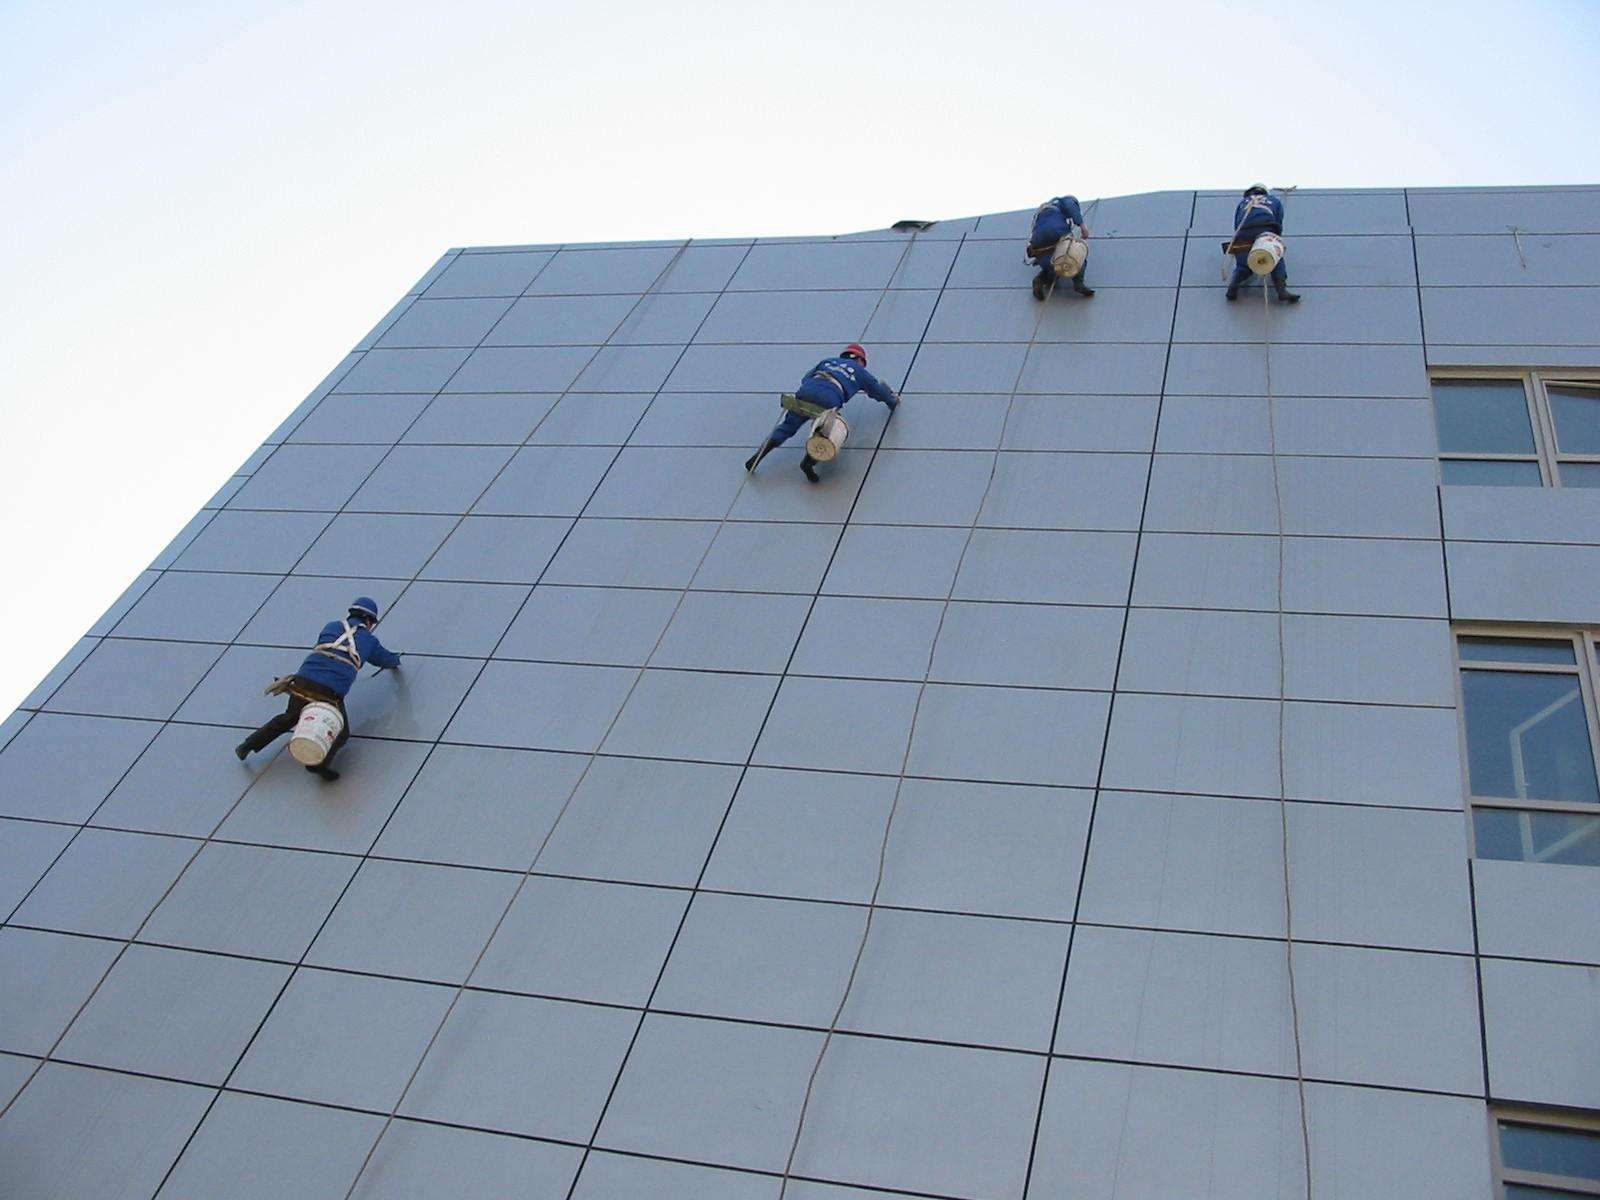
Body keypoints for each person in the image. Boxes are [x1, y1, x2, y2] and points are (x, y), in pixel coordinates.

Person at [234, 597, 401, 781]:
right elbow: (384, 660)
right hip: (329, 692)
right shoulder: (368, 640)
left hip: (303, 681)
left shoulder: (332, 626)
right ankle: (319, 765)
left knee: (288, 718)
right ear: (368, 619)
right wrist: (396, 660)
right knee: (341, 732)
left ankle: (247, 746)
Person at [745, 344, 899, 482]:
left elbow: (806, 378)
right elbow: (878, 392)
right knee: (828, 431)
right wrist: (892, 402)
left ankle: (757, 457)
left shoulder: (827, 361)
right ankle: (809, 461)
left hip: (807, 391)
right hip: (830, 397)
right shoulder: (860, 371)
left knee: (786, 428)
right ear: (860, 360)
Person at [1226, 184, 1301, 303]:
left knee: (1243, 264)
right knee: (1274, 257)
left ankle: (1233, 287)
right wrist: (1274, 239)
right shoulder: (1273, 200)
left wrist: (1241, 237)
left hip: (1243, 230)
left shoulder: (1243, 202)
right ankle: (1281, 291)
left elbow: (1236, 222)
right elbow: (1278, 221)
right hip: (1265, 227)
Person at [1027, 196, 1095, 300]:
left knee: (1053, 265)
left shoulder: (1041, 214)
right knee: (1075, 252)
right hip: (1055, 229)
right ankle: (1078, 283)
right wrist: (1082, 227)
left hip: (1038, 239)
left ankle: (1039, 280)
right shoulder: (1064, 202)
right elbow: (1070, 206)